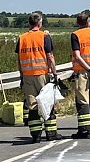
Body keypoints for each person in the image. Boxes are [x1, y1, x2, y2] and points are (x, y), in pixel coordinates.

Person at [16, 13, 62, 143]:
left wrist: (22, 75)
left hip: (27, 75)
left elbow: (19, 59)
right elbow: (50, 56)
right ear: (40, 23)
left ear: (29, 23)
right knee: (48, 102)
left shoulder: (22, 38)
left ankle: (36, 135)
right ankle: (51, 133)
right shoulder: (44, 36)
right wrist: (54, 72)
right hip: (42, 74)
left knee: (32, 105)